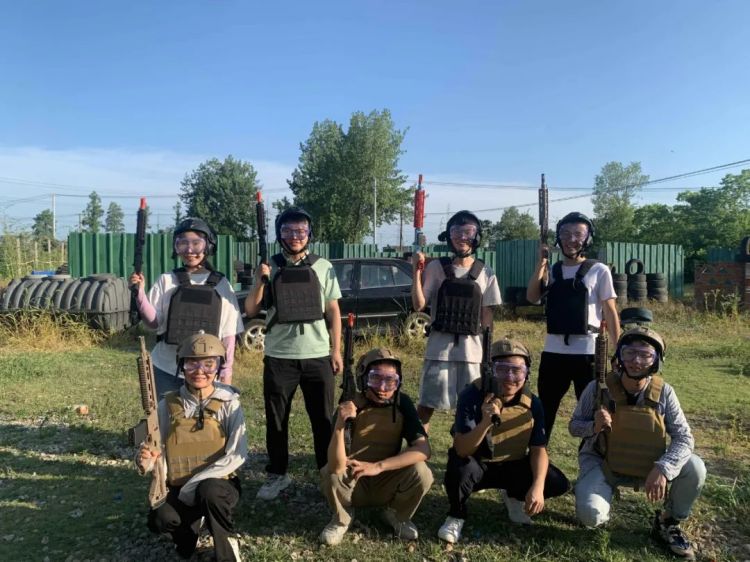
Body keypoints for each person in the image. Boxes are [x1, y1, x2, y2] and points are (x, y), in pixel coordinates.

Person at [569, 326, 705, 560]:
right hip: (604, 463)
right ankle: (600, 495)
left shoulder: (665, 393)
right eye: (629, 353)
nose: (636, 361)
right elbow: (574, 427)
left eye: (645, 355)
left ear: (656, 360)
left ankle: (668, 522)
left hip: (649, 465)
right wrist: (594, 426)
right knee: (591, 515)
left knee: (695, 467)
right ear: (619, 356)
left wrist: (663, 468)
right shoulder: (598, 388)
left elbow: (684, 438)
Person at [245, 208, 343, 500]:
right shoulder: (269, 266)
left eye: (300, 230)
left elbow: (333, 311)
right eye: (288, 230)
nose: (294, 236)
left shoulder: (323, 266)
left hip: (317, 355)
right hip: (279, 356)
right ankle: (277, 474)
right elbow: (251, 309)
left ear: (309, 234)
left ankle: (327, 474)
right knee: (277, 419)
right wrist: (260, 280)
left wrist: (336, 350)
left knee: (322, 420)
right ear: (280, 234)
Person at [438, 338, 569, 543]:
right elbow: (462, 449)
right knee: (459, 468)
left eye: (517, 370)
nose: (509, 377)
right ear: (490, 371)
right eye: (502, 369)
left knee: (556, 482)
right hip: (478, 465)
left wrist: (537, 486)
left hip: (512, 465)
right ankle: (456, 514)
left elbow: (538, 449)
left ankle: (514, 497)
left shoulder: (533, 403)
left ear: (527, 373)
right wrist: (485, 423)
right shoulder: (471, 395)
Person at [135, 332, 247, 562]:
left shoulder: (229, 403)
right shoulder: (167, 405)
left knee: (210, 492)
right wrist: (147, 459)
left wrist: (193, 486)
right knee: (161, 520)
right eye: (191, 364)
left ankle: (226, 545)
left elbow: (237, 454)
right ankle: (191, 532)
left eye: (209, 364)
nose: (200, 371)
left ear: (218, 367)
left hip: (218, 485)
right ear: (181, 366)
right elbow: (155, 446)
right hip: (179, 484)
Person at [319, 348, 433, 545]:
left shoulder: (402, 403)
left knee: (422, 472)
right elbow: (336, 467)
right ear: (363, 378)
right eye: (375, 378)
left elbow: (423, 450)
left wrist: (378, 466)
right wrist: (339, 424)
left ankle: (397, 515)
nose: (382, 387)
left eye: (390, 380)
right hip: (353, 480)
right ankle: (342, 518)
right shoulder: (350, 404)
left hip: (386, 478)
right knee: (330, 472)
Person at [526, 212, 620, 439]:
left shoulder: (599, 270)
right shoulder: (553, 270)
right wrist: (541, 264)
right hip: (553, 352)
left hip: (587, 354)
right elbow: (532, 297)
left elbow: (610, 311)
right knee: (545, 408)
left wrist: (617, 351)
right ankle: (538, 452)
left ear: (587, 238)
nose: (571, 239)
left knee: (590, 410)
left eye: (578, 234)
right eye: (565, 234)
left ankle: (591, 454)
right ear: (558, 238)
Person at [130, 218, 244, 396]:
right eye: (182, 244)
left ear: (208, 246)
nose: (189, 250)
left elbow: (229, 336)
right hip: (165, 369)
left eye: (196, 244)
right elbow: (153, 323)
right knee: (165, 413)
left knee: (203, 415)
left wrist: (225, 373)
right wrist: (140, 294)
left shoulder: (221, 284)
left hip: (205, 374)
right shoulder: (167, 280)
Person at [411, 210, 502, 432]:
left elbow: (487, 319)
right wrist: (416, 271)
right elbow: (419, 305)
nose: (462, 237)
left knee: (471, 410)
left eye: (468, 232)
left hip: (472, 354)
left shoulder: (486, 272)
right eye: (456, 232)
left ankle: (464, 449)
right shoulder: (436, 268)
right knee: (425, 407)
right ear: (448, 236)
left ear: (476, 236)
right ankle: (417, 448)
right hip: (439, 351)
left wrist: (487, 357)